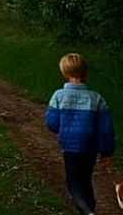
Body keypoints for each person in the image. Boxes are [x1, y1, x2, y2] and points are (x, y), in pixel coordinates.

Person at [45, 53, 115, 215]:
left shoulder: (58, 96)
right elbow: (106, 129)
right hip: (90, 148)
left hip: (70, 146)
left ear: (65, 73)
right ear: (85, 72)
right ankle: (90, 208)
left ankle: (87, 212)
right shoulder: (96, 98)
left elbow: (52, 124)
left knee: (73, 183)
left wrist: (64, 129)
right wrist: (107, 151)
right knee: (86, 180)